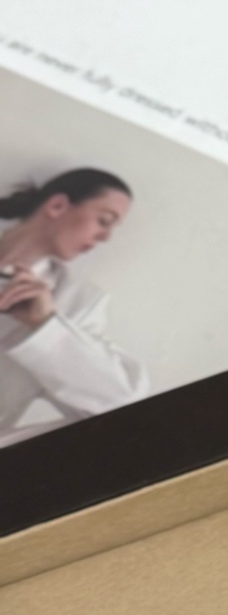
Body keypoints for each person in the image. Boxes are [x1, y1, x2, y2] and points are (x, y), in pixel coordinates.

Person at [0, 168, 149, 448]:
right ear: (57, 205)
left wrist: (47, 325)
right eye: (104, 220)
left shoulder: (77, 303)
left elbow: (121, 406)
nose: (105, 237)